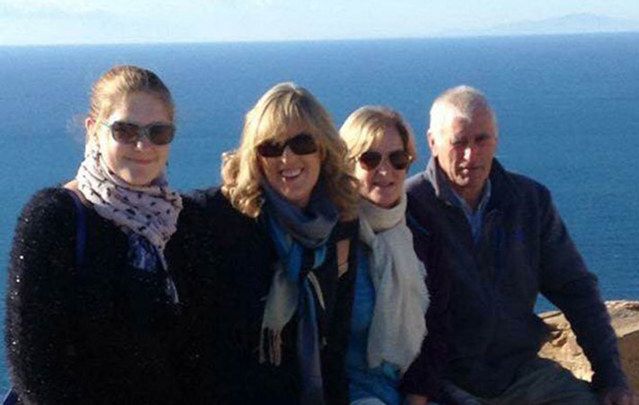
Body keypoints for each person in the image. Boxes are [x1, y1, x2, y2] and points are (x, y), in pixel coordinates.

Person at [406, 85, 637, 405]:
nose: (471, 155)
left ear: (496, 140)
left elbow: (576, 289)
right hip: (441, 379)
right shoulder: (409, 208)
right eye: (459, 142)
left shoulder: (528, 201)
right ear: (433, 142)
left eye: (481, 140)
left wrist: (611, 377)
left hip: (520, 372)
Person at [5, 65, 187, 403]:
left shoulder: (171, 220)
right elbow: (34, 364)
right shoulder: (55, 217)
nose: (143, 144)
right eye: (125, 130)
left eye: (157, 132)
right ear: (94, 131)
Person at [178, 82, 360, 403]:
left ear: (323, 148)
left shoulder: (339, 222)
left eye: (302, 142)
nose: (287, 158)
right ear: (255, 157)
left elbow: (335, 343)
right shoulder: (219, 216)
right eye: (271, 147)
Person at [339, 106, 447, 405]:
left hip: (411, 391)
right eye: (370, 159)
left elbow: (436, 328)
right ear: (348, 163)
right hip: (353, 391)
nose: (385, 172)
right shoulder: (334, 232)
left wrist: (416, 397)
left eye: (397, 159)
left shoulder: (421, 228)